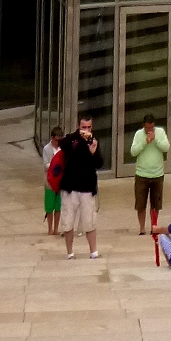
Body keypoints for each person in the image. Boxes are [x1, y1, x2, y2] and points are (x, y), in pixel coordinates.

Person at [57, 111, 101, 259]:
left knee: (90, 221)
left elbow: (99, 163)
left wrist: (93, 152)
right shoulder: (72, 140)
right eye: (84, 127)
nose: (87, 130)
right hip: (70, 187)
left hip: (87, 187)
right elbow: (62, 144)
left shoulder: (93, 142)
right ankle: (70, 252)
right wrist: (78, 136)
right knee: (68, 221)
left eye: (89, 127)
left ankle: (93, 251)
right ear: (78, 126)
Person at [131, 114, 170, 236]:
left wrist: (156, 139)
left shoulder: (160, 132)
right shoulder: (138, 134)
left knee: (156, 204)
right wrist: (144, 142)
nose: (149, 130)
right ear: (143, 126)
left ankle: (154, 226)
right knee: (140, 204)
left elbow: (166, 147)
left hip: (157, 174)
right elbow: (133, 152)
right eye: (147, 128)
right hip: (141, 174)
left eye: (151, 128)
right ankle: (142, 228)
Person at [42, 124, 64, 235]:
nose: (58, 142)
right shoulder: (46, 149)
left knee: (58, 206)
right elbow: (45, 164)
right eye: (56, 140)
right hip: (50, 181)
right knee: (49, 207)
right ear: (52, 138)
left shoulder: (63, 148)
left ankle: (56, 228)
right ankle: (50, 228)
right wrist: (55, 166)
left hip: (60, 180)